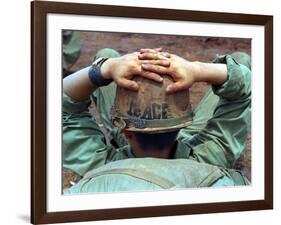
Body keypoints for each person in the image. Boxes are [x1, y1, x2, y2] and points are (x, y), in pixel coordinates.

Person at [62, 48, 251, 193]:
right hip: (189, 157)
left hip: (123, 157)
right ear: (184, 125)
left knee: (106, 55)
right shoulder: (209, 159)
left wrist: (105, 69)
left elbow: (61, 102)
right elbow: (244, 88)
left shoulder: (100, 166)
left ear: (124, 131)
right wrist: (196, 69)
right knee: (240, 61)